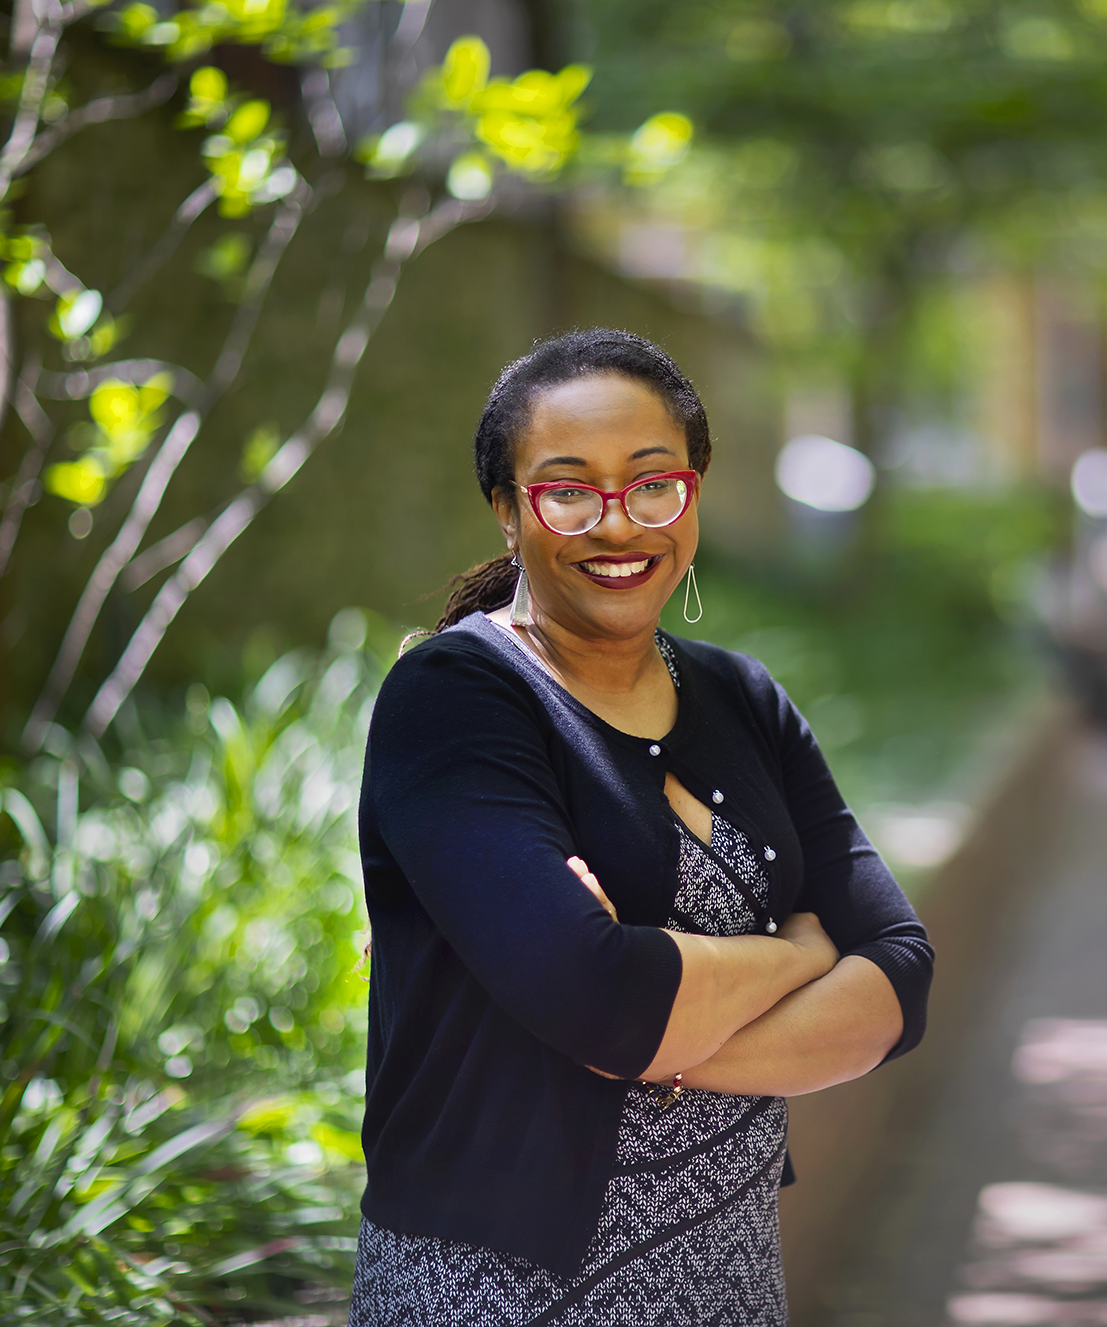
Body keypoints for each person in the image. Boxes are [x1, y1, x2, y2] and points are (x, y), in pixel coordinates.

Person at [348, 329, 933, 1326]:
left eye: (651, 483)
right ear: (507, 509)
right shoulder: (457, 698)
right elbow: (601, 1001)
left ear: (692, 493)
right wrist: (796, 947)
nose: (616, 524)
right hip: (496, 1287)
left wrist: (655, 1021)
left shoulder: (741, 697)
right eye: (567, 489)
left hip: (726, 1269)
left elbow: (900, 980)